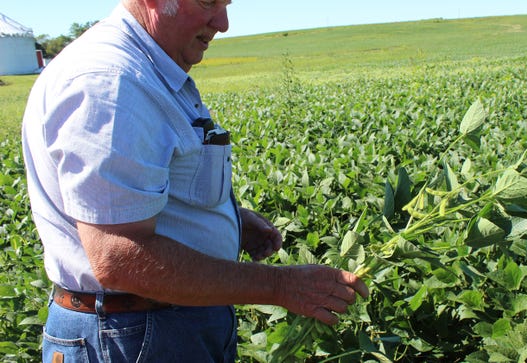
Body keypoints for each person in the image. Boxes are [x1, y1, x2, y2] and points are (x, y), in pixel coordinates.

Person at [21, 0, 369, 361]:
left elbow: (149, 191)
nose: (223, 22)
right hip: (132, 337)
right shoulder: (111, 82)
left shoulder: (149, 68)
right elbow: (118, 257)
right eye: (208, 2)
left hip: (153, 326)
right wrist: (282, 285)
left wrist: (229, 221)